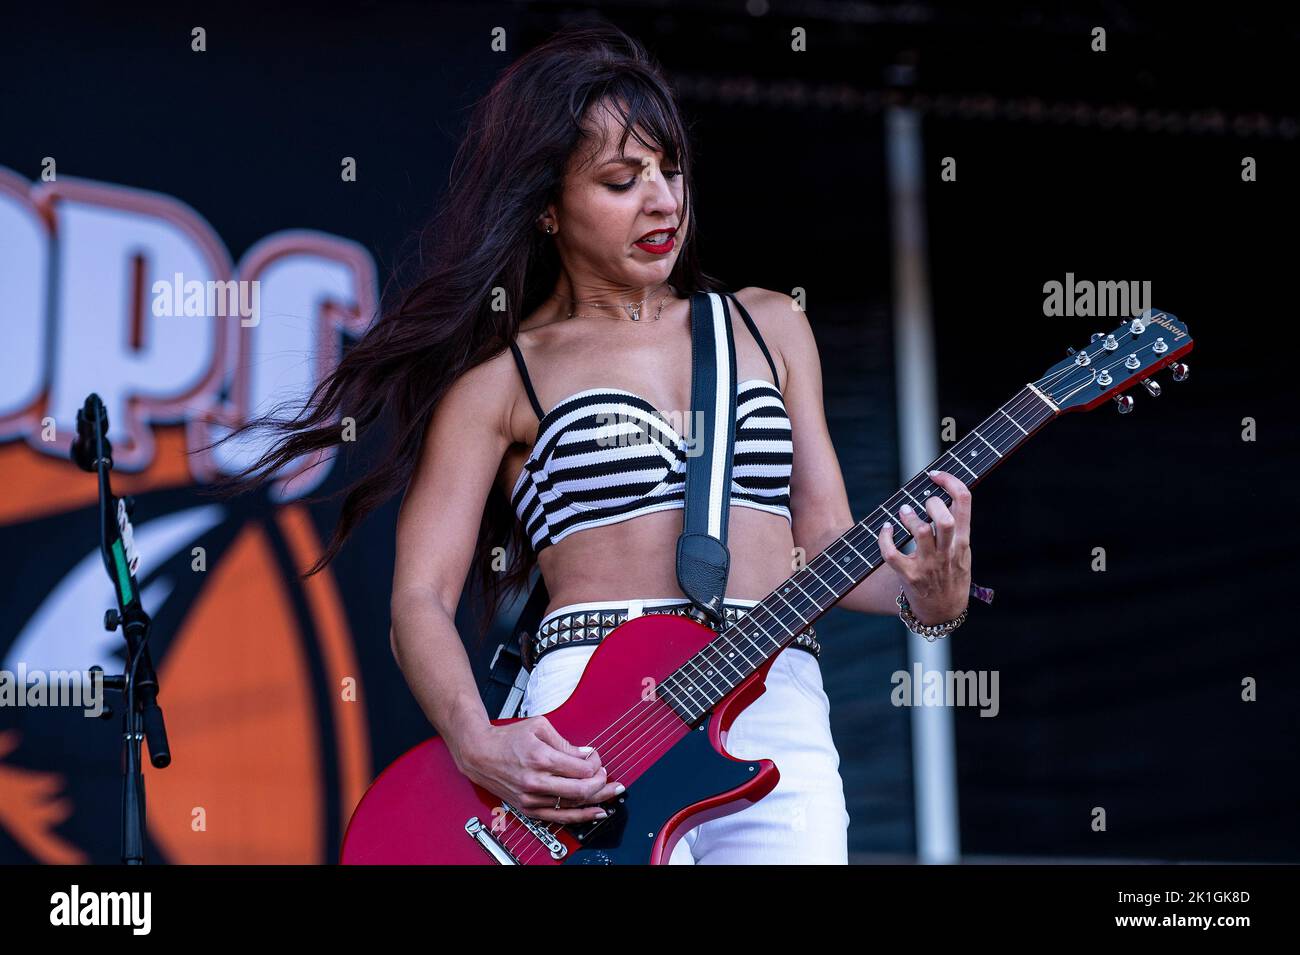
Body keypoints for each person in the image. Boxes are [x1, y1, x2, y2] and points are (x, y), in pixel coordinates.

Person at [210, 22, 973, 864]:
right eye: (621, 179)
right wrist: (476, 739)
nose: (663, 201)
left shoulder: (770, 325)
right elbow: (418, 600)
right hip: (588, 723)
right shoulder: (501, 378)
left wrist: (925, 601)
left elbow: (825, 542)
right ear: (546, 205)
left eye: (670, 169)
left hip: (775, 700)